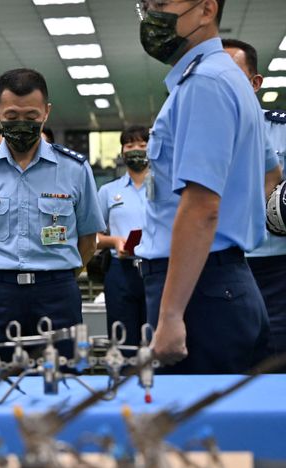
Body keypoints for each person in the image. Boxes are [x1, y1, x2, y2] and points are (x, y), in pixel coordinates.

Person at [134, 0, 269, 373]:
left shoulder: (205, 84)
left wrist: (172, 313)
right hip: (217, 282)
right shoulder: (220, 77)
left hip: (200, 292)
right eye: (145, 6)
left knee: (193, 427)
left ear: (207, 10)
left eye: (162, 4)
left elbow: (201, 206)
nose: (151, 16)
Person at [0, 68, 104, 361]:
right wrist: (2, 275)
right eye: (11, 117)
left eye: (31, 117)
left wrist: (58, 275)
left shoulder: (74, 169)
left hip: (57, 292)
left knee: (65, 377)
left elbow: (88, 241)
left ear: (46, 112)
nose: (21, 123)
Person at [222, 38, 286, 356]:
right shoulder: (194, 136)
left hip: (276, 269)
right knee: (228, 363)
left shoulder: (281, 131)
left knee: (275, 361)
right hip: (217, 270)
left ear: (255, 82)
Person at [96, 125, 149, 345]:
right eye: (130, 145)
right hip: (120, 270)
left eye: (142, 145)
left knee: (156, 338)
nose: (136, 149)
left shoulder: (165, 188)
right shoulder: (108, 192)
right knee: (123, 339)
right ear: (122, 152)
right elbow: (94, 237)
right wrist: (116, 241)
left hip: (156, 268)